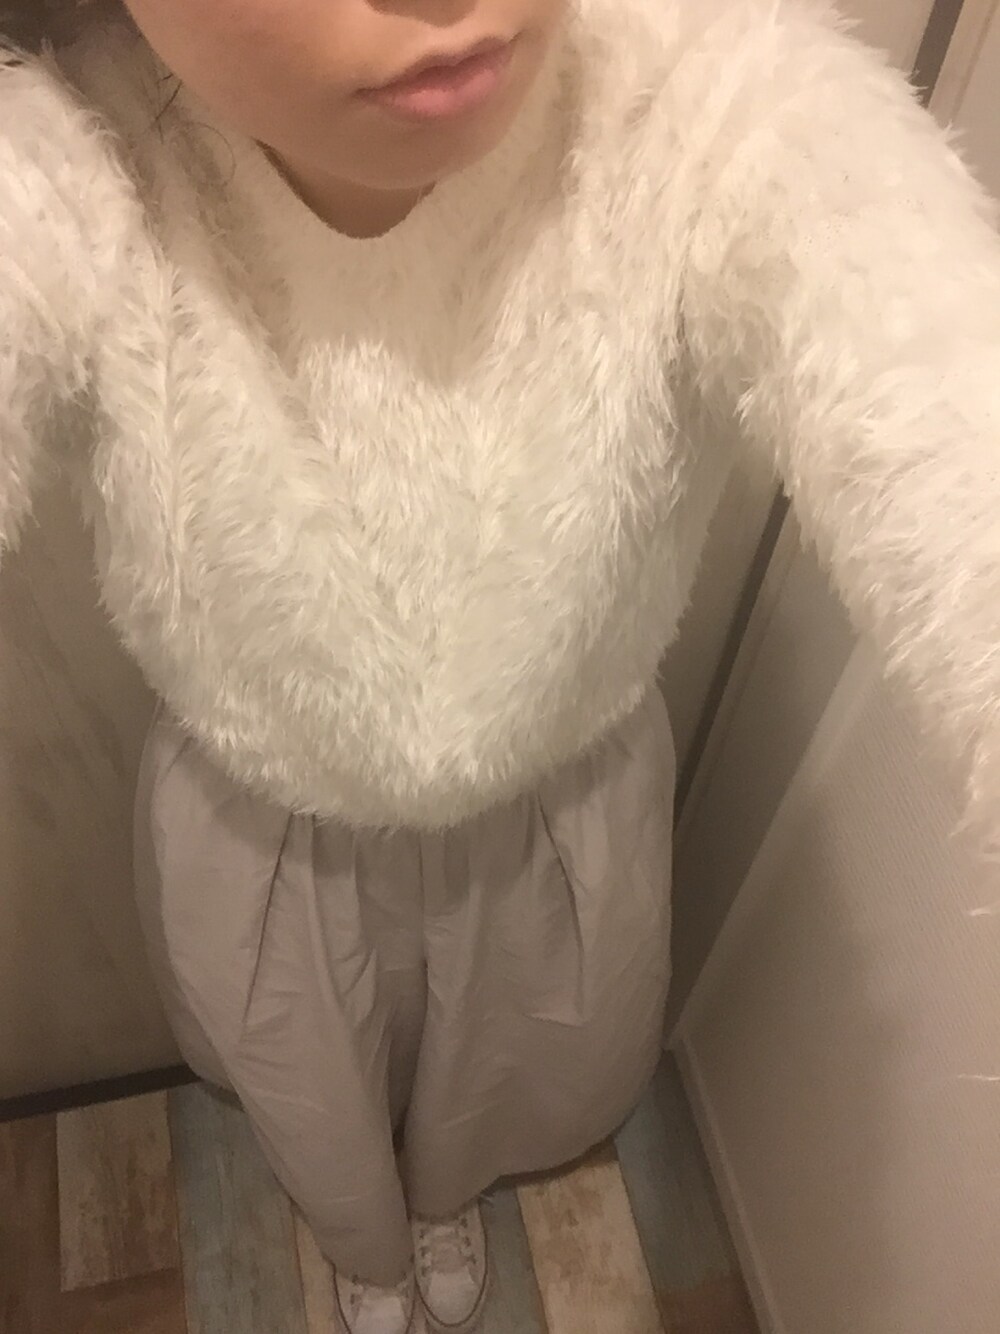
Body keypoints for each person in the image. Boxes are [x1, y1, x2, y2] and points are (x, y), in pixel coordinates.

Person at [2, 0, 999, 1330]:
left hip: (554, 812)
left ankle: (441, 1192)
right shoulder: (75, 166)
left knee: (501, 1063)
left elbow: (937, 381)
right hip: (273, 834)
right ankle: (364, 1235)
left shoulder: (698, 102)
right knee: (312, 1078)